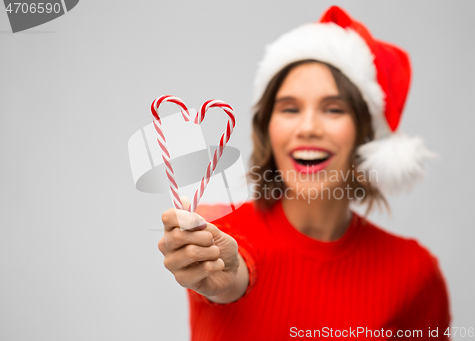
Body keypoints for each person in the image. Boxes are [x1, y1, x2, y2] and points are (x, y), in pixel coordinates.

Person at [157, 5, 451, 340]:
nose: (308, 127)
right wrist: (222, 272)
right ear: (268, 129)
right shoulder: (220, 231)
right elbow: (235, 269)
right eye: (290, 108)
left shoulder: (413, 272)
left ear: (364, 134)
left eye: (333, 109)